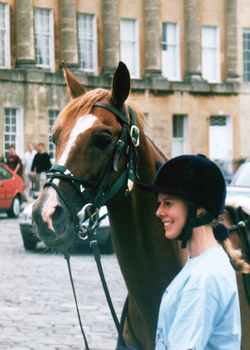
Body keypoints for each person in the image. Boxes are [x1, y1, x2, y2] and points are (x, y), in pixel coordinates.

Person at [151, 154, 250, 350]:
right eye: (159, 203)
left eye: (168, 203)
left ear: (199, 210)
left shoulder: (204, 278)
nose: (159, 212)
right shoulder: (203, 264)